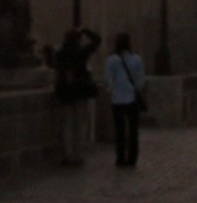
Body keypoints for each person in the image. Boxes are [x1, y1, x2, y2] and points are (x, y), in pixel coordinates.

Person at [52, 27, 101, 166]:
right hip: (79, 91)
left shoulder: (60, 53)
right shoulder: (81, 53)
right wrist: (86, 31)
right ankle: (77, 155)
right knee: (79, 124)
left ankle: (67, 155)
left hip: (65, 92)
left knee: (67, 124)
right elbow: (97, 40)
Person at [104, 32, 147, 168]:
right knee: (133, 130)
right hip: (132, 99)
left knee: (120, 130)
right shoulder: (136, 59)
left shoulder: (112, 60)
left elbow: (108, 79)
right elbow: (140, 81)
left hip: (117, 100)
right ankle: (132, 158)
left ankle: (120, 157)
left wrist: (112, 90)